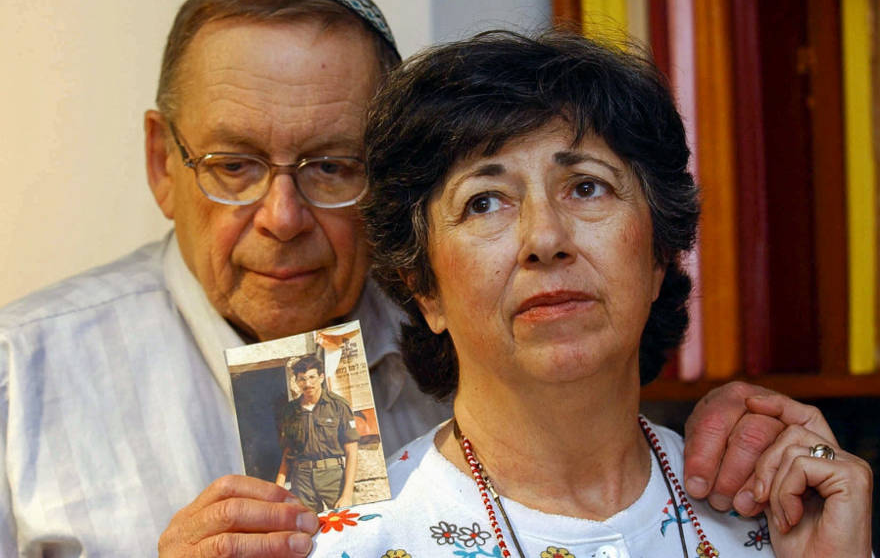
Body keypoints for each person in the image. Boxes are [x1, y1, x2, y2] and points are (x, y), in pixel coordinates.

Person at [0, 0, 820, 558]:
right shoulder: (19, 374)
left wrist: (750, 447)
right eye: (234, 166)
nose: (282, 218)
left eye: (331, 166)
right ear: (160, 163)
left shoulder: (483, 317)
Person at [309, 30, 874, 557]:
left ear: (658, 256)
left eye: (586, 187)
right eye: (484, 201)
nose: (546, 238)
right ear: (424, 288)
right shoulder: (354, 542)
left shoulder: (779, 514)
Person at [276, 356, 359, 512]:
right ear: (297, 381)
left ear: (321, 377)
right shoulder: (290, 411)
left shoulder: (338, 406)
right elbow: (288, 452)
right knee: (307, 528)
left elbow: (352, 452)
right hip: (302, 480)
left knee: (349, 521)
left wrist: (347, 494)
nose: (307, 384)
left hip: (333, 477)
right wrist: (278, 488)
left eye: (312, 377)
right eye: (302, 379)